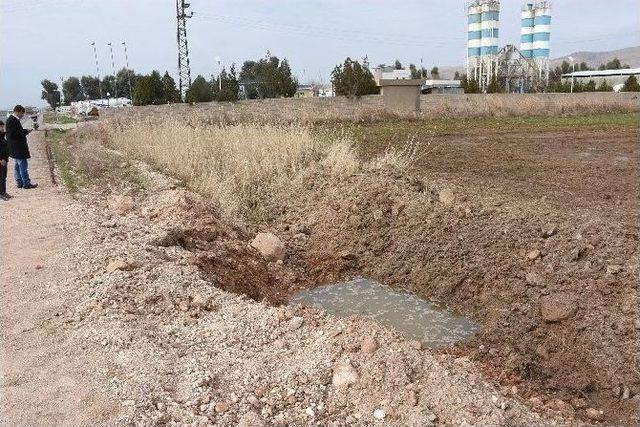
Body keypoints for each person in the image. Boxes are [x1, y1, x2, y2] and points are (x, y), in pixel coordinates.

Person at [6, 105, 37, 189]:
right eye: (22, 113)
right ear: (18, 111)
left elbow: (14, 133)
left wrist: (24, 131)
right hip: (18, 147)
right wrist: (26, 131)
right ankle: (26, 183)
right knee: (23, 166)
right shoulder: (12, 120)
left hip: (14, 148)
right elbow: (14, 134)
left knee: (17, 166)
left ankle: (19, 182)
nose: (22, 115)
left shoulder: (11, 120)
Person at [0, 120, 10, 200]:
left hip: (5, 159)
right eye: (1, 126)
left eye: (3, 126)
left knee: (4, 177)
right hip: (1, 160)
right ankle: (1, 194)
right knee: (1, 177)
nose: (2, 128)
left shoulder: (2, 136)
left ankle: (4, 192)